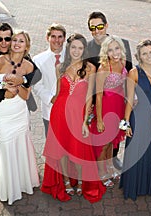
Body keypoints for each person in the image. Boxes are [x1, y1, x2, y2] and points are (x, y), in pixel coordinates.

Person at [0, 22, 41, 187]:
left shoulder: (21, 54)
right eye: (0, 39)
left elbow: (36, 74)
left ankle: (21, 171)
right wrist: (2, 94)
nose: (4, 42)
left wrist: (22, 80)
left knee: (20, 139)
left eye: (8, 38)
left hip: (19, 106)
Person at [41, 33, 106, 203]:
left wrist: (86, 120)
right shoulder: (60, 67)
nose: (76, 51)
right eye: (73, 47)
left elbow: (89, 97)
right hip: (59, 114)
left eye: (80, 48)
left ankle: (81, 180)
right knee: (61, 149)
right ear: (68, 48)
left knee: (78, 150)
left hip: (78, 116)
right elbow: (57, 93)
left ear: (84, 50)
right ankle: (67, 181)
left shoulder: (91, 68)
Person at [119, 39, 151, 200]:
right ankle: (134, 185)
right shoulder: (134, 72)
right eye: (144, 53)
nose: (149, 56)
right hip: (139, 117)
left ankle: (150, 185)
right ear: (139, 56)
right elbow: (129, 99)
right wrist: (126, 123)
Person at [87, 11, 133, 170]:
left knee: (113, 138)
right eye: (92, 28)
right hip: (102, 101)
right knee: (102, 140)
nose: (96, 30)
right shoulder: (88, 48)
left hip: (119, 103)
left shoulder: (123, 44)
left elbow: (129, 72)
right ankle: (100, 168)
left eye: (99, 26)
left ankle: (112, 160)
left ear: (106, 25)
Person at [90, 35, 127, 188]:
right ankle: (100, 172)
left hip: (118, 107)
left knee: (112, 142)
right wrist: (99, 119)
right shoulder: (103, 68)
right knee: (104, 143)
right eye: (110, 50)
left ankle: (109, 167)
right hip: (105, 107)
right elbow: (98, 95)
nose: (115, 52)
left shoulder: (123, 62)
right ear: (106, 52)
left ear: (121, 49)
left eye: (117, 48)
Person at [33, 23, 66, 137]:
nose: (57, 40)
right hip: (50, 109)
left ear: (64, 38)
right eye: (53, 36)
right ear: (47, 38)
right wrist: (51, 99)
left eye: (60, 36)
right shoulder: (38, 60)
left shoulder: (71, 56)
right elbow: (37, 86)